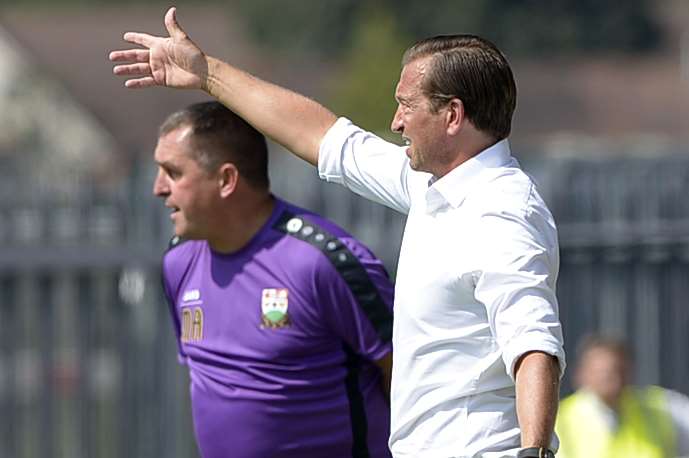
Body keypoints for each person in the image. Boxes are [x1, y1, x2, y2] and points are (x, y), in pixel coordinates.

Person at [110, 8, 566, 457]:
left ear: (452, 116)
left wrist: (534, 452)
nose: (396, 122)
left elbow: (532, 342)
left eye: (406, 105)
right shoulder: (434, 186)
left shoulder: (502, 212)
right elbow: (325, 137)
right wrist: (206, 73)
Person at [153, 101, 394, 458]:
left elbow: (409, 376)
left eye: (173, 172)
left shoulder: (320, 263)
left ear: (226, 180)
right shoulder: (178, 262)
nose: (158, 188)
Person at [556, 336, 689, 458]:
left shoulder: (660, 407)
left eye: (620, 370)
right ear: (582, 374)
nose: (614, 379)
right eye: (604, 372)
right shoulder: (560, 419)